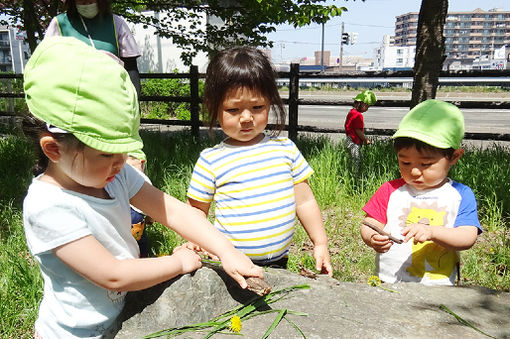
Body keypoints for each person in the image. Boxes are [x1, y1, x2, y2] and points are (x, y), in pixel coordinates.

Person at [22, 37, 263, 339]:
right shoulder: (48, 206)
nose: (120, 162)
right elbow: (113, 274)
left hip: (118, 315)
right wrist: (176, 262)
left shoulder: (115, 173)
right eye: (106, 153)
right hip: (74, 334)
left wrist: (225, 250)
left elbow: (173, 211)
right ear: (54, 150)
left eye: (123, 150)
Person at [184, 46, 333, 276]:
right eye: (233, 109)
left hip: (279, 263)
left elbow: (304, 202)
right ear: (215, 109)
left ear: (270, 102)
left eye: (257, 107)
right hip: (232, 265)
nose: (246, 118)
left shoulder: (285, 149)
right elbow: (196, 212)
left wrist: (320, 242)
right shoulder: (211, 160)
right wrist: (196, 241)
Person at [360, 99, 482, 286]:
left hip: (439, 286)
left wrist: (432, 232)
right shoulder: (390, 190)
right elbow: (370, 222)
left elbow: (467, 237)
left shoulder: (460, 195)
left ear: (454, 157)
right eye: (405, 163)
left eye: (425, 164)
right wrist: (372, 237)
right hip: (388, 282)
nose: (415, 171)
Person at [344, 90, 377, 174]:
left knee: (350, 159)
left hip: (348, 140)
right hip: (354, 142)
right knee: (356, 160)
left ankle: (348, 173)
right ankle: (355, 176)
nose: (367, 109)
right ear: (362, 104)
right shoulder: (358, 115)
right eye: (367, 106)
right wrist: (366, 139)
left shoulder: (351, 112)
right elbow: (357, 130)